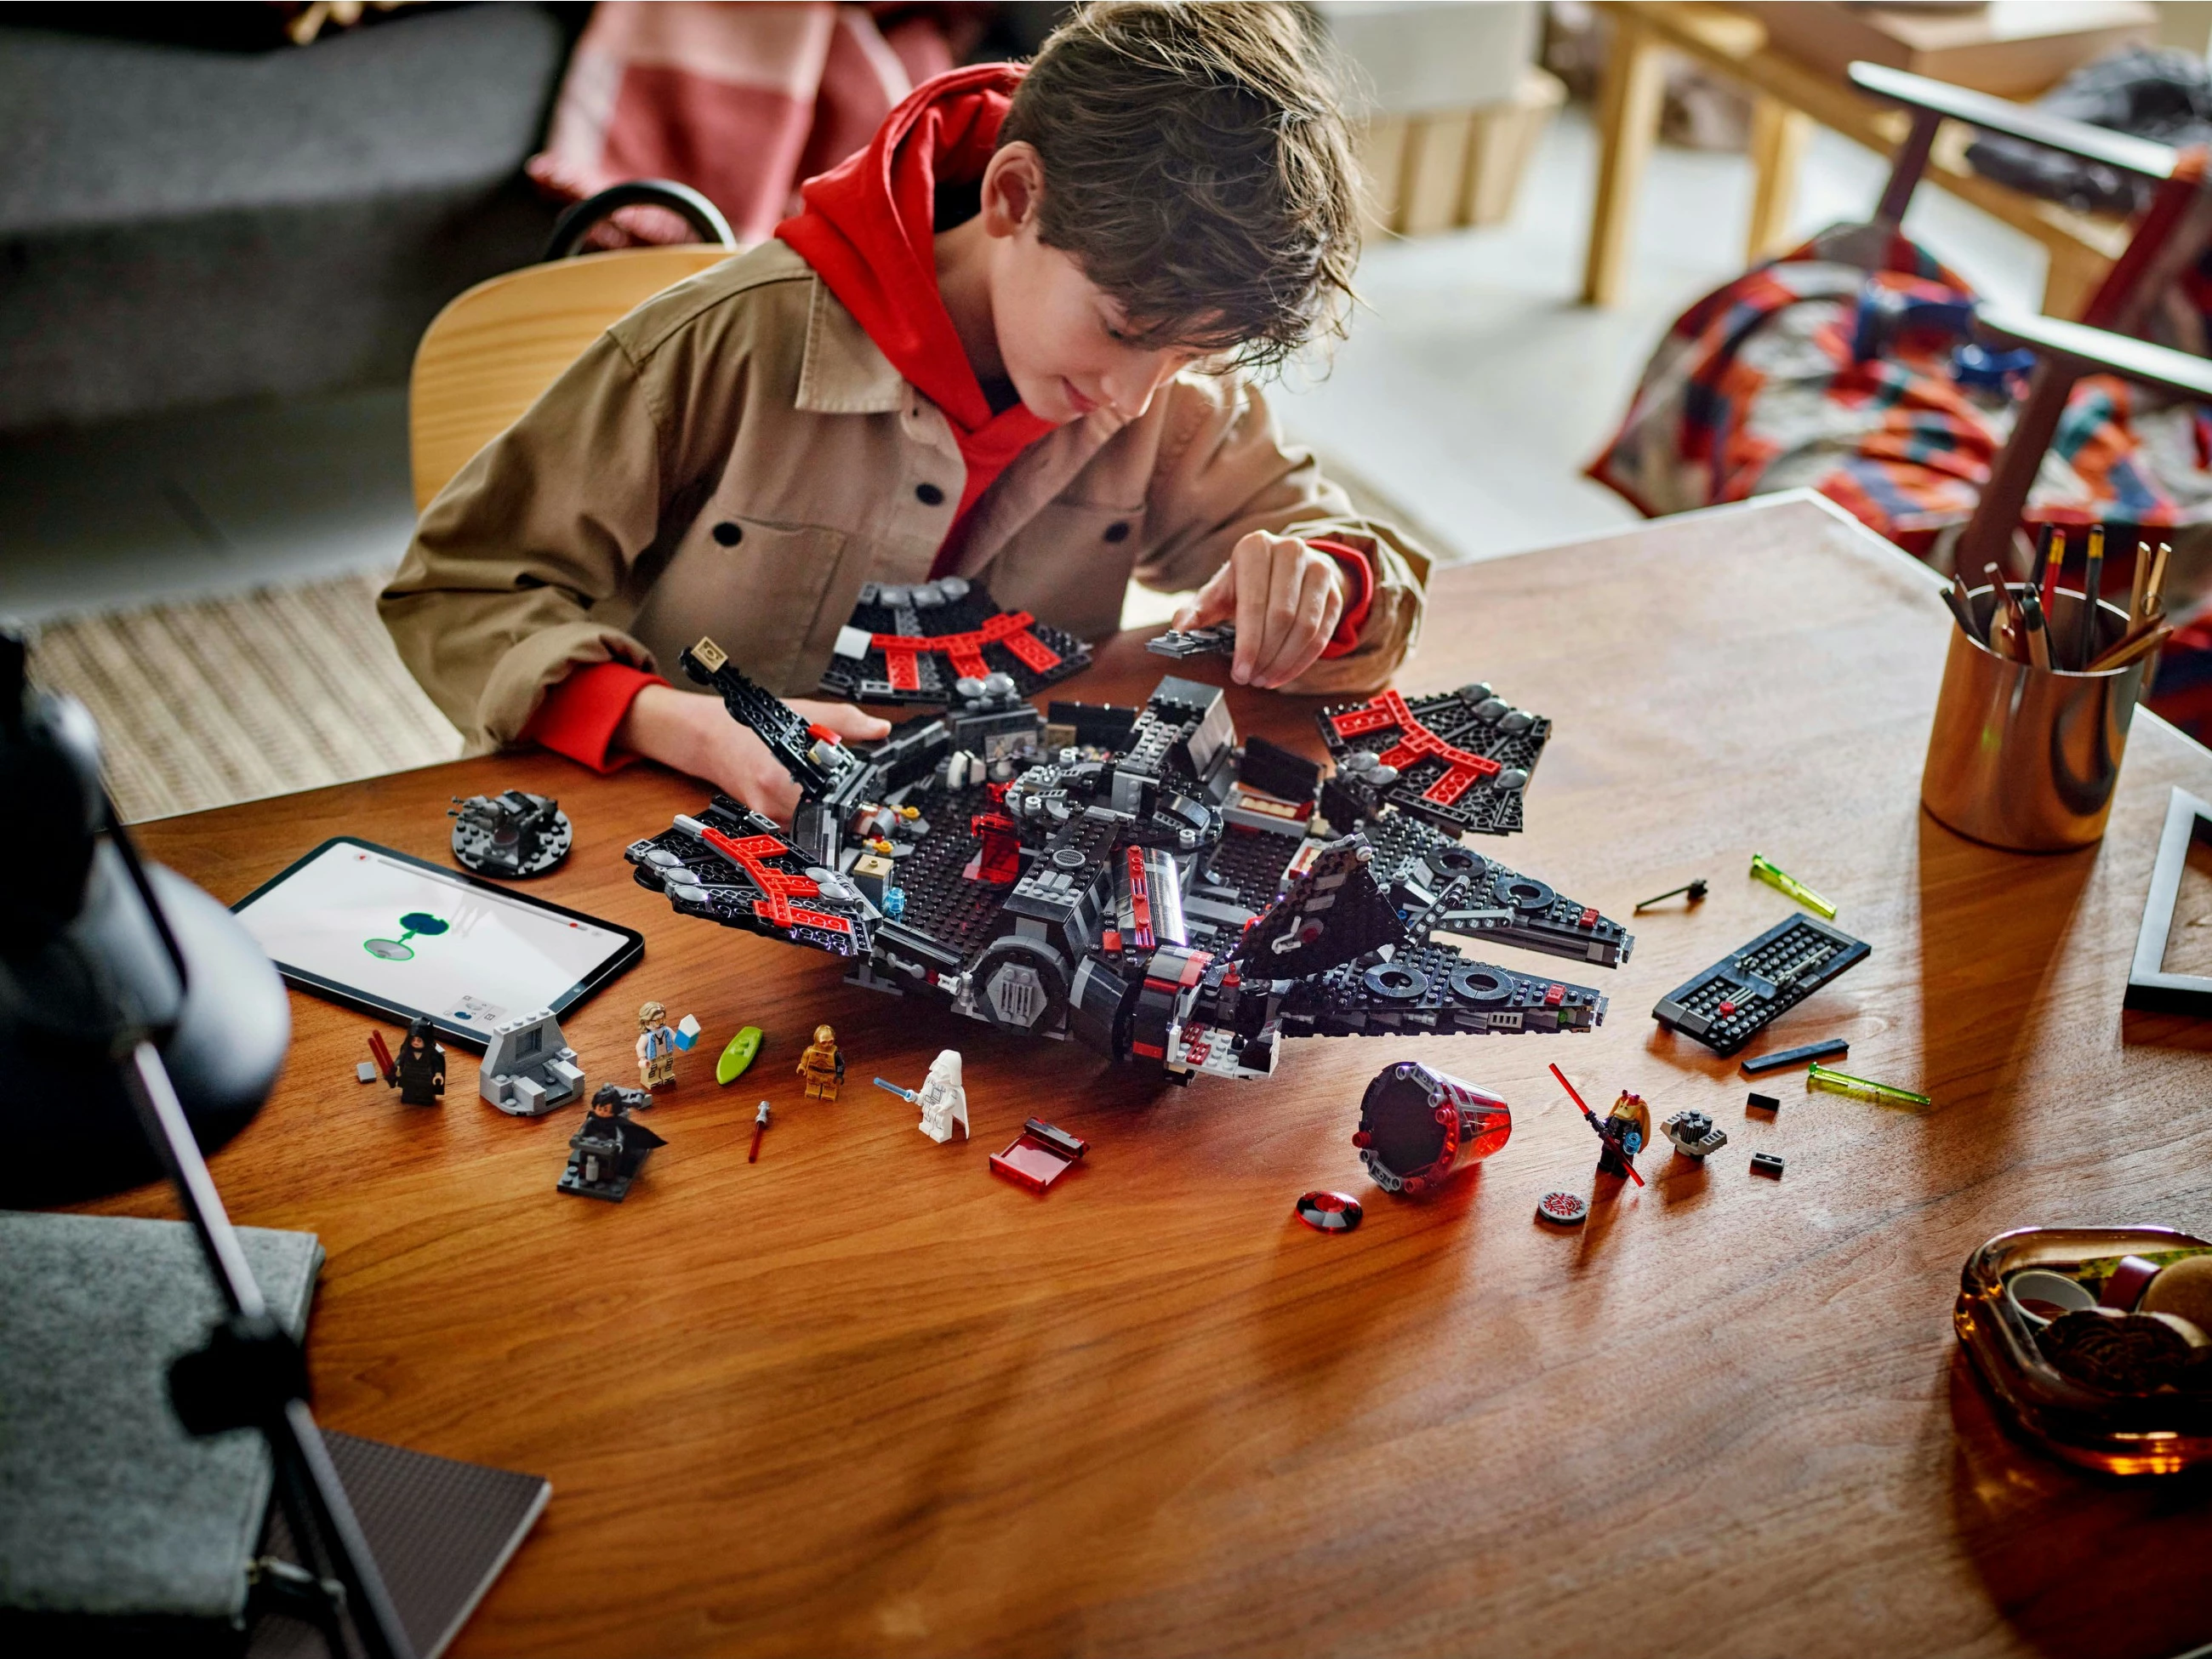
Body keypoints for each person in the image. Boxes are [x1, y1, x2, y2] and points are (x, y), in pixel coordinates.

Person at [382, 1, 1429, 824]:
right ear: (1013, 199)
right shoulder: (727, 340)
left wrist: (1326, 576)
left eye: (1190, 353)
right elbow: (459, 592)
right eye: (1120, 331)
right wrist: (689, 730)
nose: (1138, 394)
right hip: (684, 830)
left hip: (991, 855)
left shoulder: (1162, 375)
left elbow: (1340, 547)